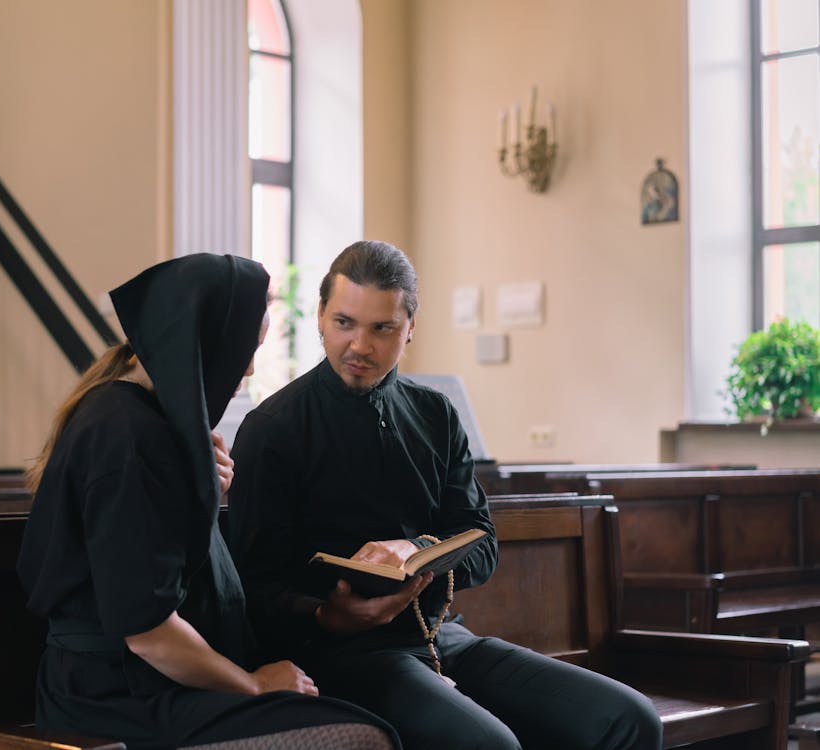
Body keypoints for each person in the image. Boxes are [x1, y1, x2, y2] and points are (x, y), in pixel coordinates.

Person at [228, 240, 663, 750]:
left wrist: (415, 548)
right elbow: (251, 585)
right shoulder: (272, 428)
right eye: (345, 323)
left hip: (442, 636)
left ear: (410, 327)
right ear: (321, 317)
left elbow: (483, 546)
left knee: (631, 718)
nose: (359, 346)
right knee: (490, 746)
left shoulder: (435, 414)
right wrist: (326, 615)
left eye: (381, 328)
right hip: (339, 654)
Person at [16, 253, 398, 750]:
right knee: (358, 738)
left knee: (372, 707)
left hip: (152, 680)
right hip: (116, 697)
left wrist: (198, 495)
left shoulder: (144, 420)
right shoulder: (127, 434)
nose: (249, 369)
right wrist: (255, 685)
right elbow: (148, 632)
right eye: (247, 349)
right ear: (207, 341)